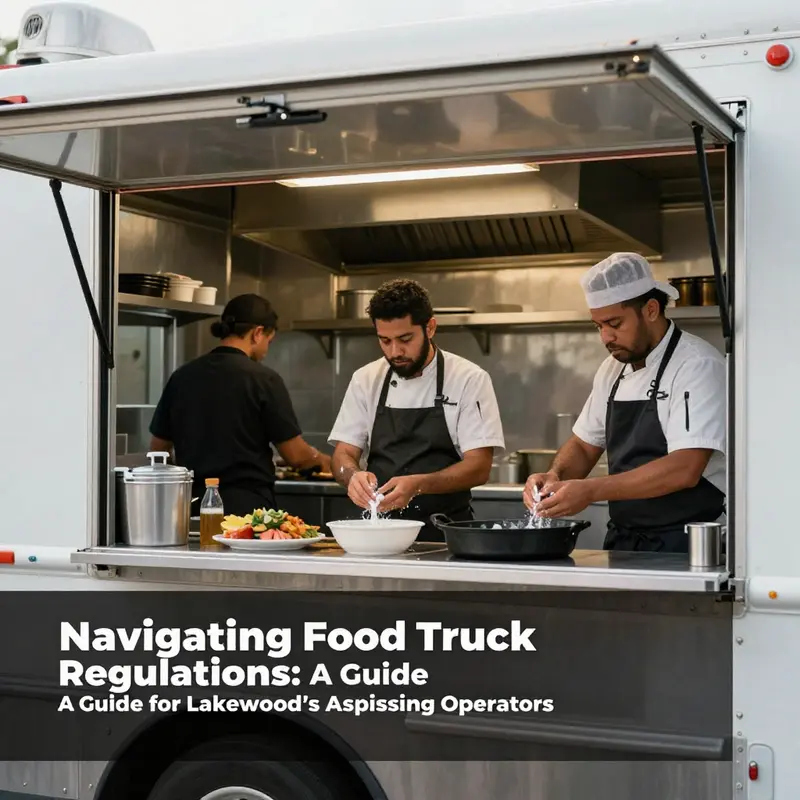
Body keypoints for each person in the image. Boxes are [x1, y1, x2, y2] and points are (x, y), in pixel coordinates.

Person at [523, 253, 727, 553]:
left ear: (651, 310)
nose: (606, 337)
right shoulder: (612, 368)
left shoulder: (697, 365)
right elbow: (583, 445)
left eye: (614, 323)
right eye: (598, 326)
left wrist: (590, 490)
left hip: (688, 544)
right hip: (624, 542)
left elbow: (685, 468)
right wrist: (555, 477)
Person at [329, 279, 505, 541]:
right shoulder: (366, 379)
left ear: (430, 327)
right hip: (379, 534)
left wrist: (418, 485)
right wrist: (352, 476)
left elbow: (479, 467)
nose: (395, 351)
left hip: (445, 535)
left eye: (405, 338)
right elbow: (343, 453)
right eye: (384, 340)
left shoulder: (468, 379)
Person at [148, 293, 331, 517]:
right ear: (257, 333)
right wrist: (325, 461)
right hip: (247, 510)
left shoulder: (182, 376)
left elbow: (158, 449)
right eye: (268, 342)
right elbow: (296, 455)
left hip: (193, 507)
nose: (266, 351)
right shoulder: (264, 379)